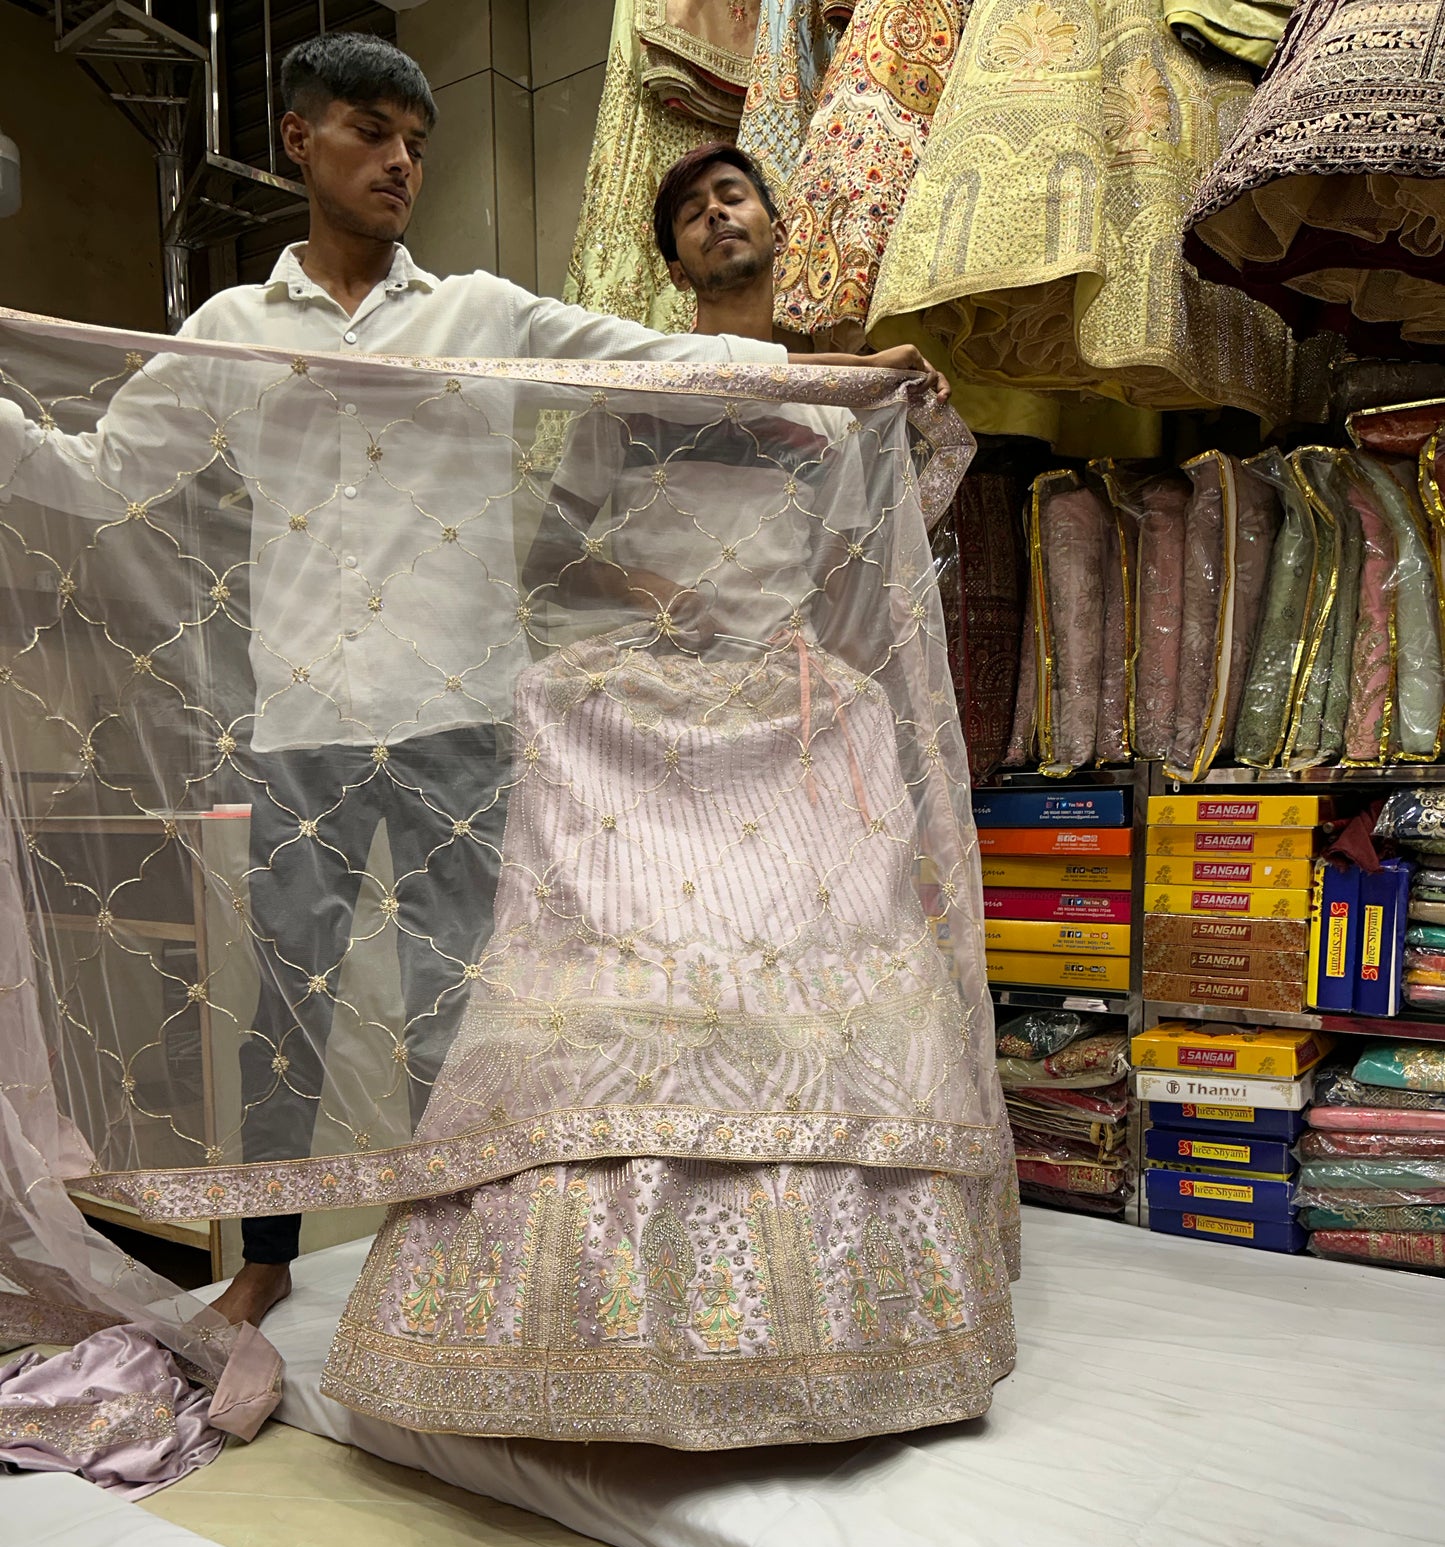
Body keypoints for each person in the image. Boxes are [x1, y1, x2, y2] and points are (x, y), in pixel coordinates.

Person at [0, 36, 948, 1333]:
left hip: (463, 727)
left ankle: (457, 1276)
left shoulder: (481, 314)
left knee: (464, 1016)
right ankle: (265, 1264)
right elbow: (101, 473)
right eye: (371, 132)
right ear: (299, 140)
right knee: (283, 1019)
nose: (401, 162)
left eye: (416, 142)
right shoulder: (231, 333)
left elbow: (653, 360)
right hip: (303, 730)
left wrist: (850, 379)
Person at [316, 144, 1017, 1450]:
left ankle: (850, 1314)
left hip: (789, 710)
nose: (713, 213)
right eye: (688, 207)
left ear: (775, 225)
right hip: (641, 709)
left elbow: (877, 554)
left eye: (732, 195)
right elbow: (552, 552)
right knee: (616, 976)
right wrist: (648, 596)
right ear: (672, 255)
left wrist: (905, 416)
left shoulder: (834, 397)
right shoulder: (624, 389)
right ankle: (579, 1316)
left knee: (820, 968)